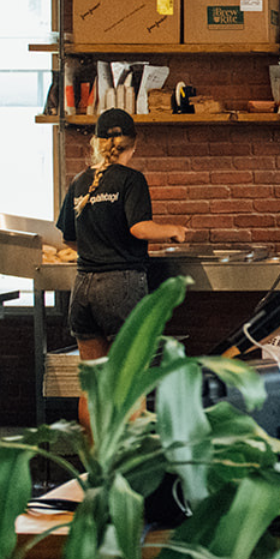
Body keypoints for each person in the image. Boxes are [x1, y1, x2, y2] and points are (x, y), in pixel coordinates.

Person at [57, 108, 188, 429]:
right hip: (120, 288)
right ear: (134, 144)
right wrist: (174, 229)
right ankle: (129, 469)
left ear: (96, 142)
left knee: (93, 386)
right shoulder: (131, 180)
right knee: (130, 384)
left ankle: (94, 468)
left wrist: (97, 248)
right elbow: (140, 229)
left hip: (83, 289)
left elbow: (68, 238)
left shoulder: (79, 182)